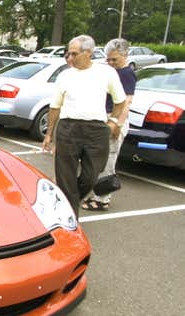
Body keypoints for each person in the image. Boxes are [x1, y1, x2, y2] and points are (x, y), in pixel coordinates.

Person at [42, 35, 127, 216]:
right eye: (68, 54)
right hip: (68, 128)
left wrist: (112, 122)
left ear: (88, 53)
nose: (69, 58)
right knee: (66, 177)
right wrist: (49, 134)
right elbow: (55, 107)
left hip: (96, 130)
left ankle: (63, 204)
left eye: (74, 54)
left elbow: (120, 101)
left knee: (91, 176)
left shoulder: (106, 73)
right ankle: (69, 218)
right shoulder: (64, 75)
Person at [82, 38, 136, 211]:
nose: (111, 63)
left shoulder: (126, 74)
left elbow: (126, 102)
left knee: (108, 161)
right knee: (97, 160)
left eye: (115, 59)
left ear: (125, 55)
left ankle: (102, 199)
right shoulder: (110, 72)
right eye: (109, 59)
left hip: (114, 119)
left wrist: (117, 124)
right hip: (104, 118)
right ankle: (96, 193)